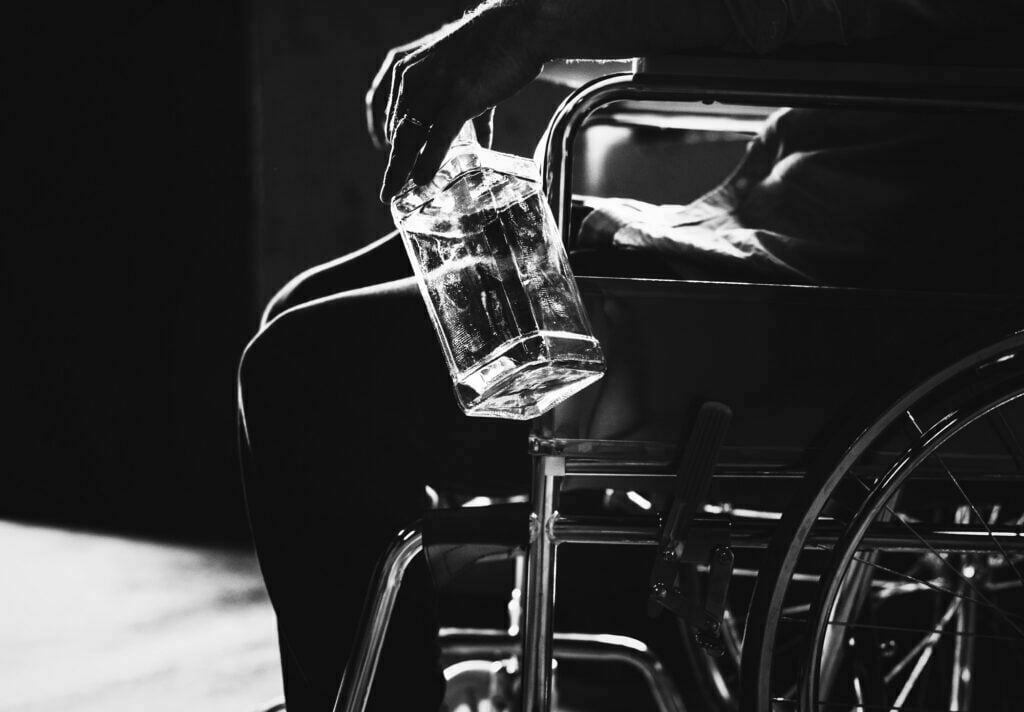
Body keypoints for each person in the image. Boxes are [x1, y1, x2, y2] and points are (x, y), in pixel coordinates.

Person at [238, 1, 1024, 710]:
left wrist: (527, 27)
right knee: (306, 307)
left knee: (305, 370)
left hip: (833, 302)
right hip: (758, 242)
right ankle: (380, 672)